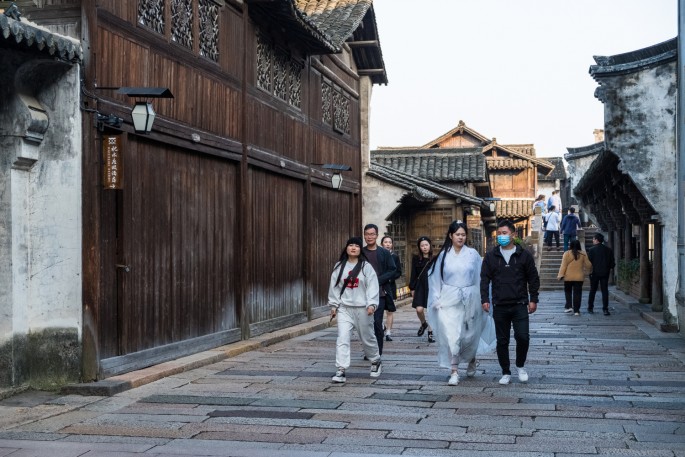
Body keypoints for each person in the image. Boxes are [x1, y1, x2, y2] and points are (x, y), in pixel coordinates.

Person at [427, 221, 495, 386]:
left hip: (471, 296)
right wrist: (436, 299)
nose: (460, 237)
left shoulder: (473, 255)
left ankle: (472, 358)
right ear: (451, 236)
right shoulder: (443, 255)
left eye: (463, 234)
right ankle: (454, 370)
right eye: (457, 234)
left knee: (470, 333)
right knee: (453, 334)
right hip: (449, 298)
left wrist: (484, 298)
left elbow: (481, 277)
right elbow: (435, 278)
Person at [481, 219, 540, 385]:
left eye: (504, 233)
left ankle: (520, 365)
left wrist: (533, 299)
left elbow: (533, 278)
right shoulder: (492, 256)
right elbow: (484, 279)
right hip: (499, 304)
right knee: (502, 340)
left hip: (520, 304)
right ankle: (505, 371)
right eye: (499, 234)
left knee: (523, 337)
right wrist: (485, 299)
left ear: (513, 234)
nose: (501, 236)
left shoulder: (524, 255)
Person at [328, 237, 382, 383]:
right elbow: (335, 287)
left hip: (363, 309)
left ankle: (375, 360)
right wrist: (334, 305)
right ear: (346, 248)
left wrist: (371, 304)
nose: (353, 248)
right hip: (345, 309)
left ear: (360, 249)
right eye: (350, 245)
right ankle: (341, 369)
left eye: (356, 246)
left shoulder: (366, 267)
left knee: (367, 338)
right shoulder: (339, 267)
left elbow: (373, 287)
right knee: (342, 338)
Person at [362, 224, 397, 356]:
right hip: (362, 294)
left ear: (377, 235)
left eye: (372, 234)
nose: (369, 236)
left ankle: (377, 352)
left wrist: (377, 280)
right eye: (367, 234)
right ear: (364, 235)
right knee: (365, 325)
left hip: (380, 293)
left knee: (377, 323)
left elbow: (392, 270)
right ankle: (368, 349)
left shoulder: (384, 252)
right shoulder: (361, 252)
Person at [409, 236, 436, 343]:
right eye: (422, 245)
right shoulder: (416, 258)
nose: (424, 247)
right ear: (419, 247)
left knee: (431, 310)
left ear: (430, 245)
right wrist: (412, 288)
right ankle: (424, 323)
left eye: (426, 245)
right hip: (420, 287)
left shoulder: (435, 258)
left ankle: (430, 333)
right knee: (419, 309)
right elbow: (413, 274)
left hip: (432, 286)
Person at [557, 239, 593, 316]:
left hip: (568, 276)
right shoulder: (583, 254)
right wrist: (587, 271)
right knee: (578, 293)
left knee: (568, 292)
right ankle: (577, 310)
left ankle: (569, 306)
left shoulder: (566, 253)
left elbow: (563, 265)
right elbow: (589, 265)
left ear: (571, 245)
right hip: (579, 277)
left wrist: (560, 275)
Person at [587, 233, 615, 316]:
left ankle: (590, 308)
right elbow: (612, 263)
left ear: (596, 240)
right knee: (604, 291)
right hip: (605, 273)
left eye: (593, 239)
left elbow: (589, 263)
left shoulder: (592, 250)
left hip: (594, 273)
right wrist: (608, 268)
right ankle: (605, 309)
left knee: (593, 290)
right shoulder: (608, 250)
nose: (592, 240)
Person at [380, 235, 402, 341]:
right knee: (379, 309)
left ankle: (388, 332)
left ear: (392, 244)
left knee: (389, 310)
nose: (388, 244)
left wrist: (389, 278)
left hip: (390, 285)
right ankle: (381, 328)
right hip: (379, 285)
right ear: (382, 244)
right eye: (385, 242)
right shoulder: (378, 255)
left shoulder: (395, 256)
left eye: (389, 242)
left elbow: (398, 272)